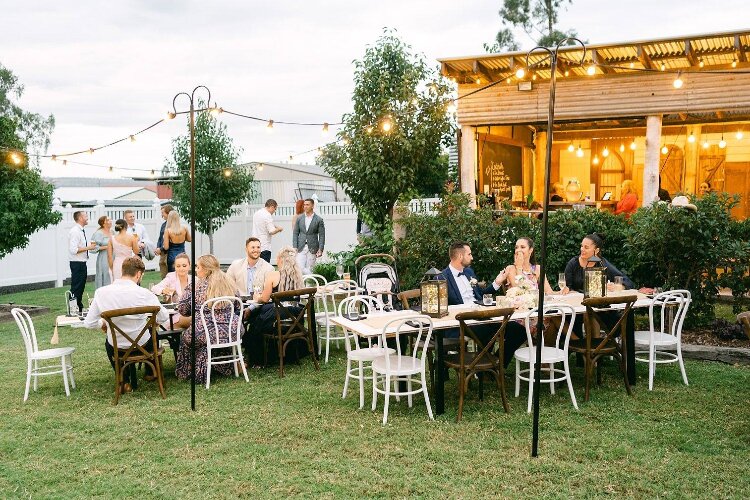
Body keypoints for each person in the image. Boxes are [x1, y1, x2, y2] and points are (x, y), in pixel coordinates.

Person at [84, 257, 169, 393]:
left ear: (122, 271)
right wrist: (152, 321)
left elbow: (89, 323)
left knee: (109, 342)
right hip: (143, 345)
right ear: (139, 274)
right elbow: (164, 316)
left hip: (117, 346)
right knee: (153, 333)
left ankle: (123, 381)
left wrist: (103, 323)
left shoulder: (101, 293)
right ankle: (151, 372)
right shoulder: (145, 293)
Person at [441, 241, 526, 367]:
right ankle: (483, 367)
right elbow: (442, 307)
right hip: (462, 321)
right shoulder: (443, 277)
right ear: (460, 257)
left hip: (483, 314)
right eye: (469, 254)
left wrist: (497, 282)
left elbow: (480, 295)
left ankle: (497, 364)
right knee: (489, 331)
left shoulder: (469, 272)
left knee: (519, 331)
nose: (472, 257)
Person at [175, 254, 240, 384]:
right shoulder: (230, 283)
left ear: (205, 269)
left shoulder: (195, 287)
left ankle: (188, 371)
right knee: (202, 335)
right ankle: (223, 367)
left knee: (189, 337)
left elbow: (182, 310)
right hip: (232, 332)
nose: (196, 270)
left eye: (197, 267)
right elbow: (237, 305)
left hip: (205, 333)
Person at [561, 233, 636, 339]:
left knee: (596, 314)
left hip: (598, 308)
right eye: (581, 246)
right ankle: (584, 347)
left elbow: (628, 282)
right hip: (576, 310)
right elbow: (568, 287)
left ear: (596, 250)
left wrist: (618, 287)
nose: (582, 249)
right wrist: (567, 289)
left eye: (586, 247)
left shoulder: (602, 263)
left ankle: (595, 349)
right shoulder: (573, 264)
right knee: (583, 315)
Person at [243, 246, 303, 365]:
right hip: (295, 318)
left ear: (281, 259)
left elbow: (264, 299)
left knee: (255, 318)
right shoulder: (298, 276)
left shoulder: (273, 275)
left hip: (276, 319)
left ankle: (254, 356)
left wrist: (256, 297)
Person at [151, 252, 192, 329]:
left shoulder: (195, 279)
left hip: (190, 313)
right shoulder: (171, 277)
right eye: (178, 266)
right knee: (194, 321)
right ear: (174, 267)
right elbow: (154, 288)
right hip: (174, 315)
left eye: (184, 266)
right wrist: (163, 290)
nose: (181, 268)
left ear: (189, 266)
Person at [68, 211, 97, 314]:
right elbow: (73, 250)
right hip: (77, 263)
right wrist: (89, 247)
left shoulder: (80, 231)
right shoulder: (75, 231)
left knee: (80, 286)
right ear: (80, 218)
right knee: (76, 286)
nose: (87, 217)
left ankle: (78, 308)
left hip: (81, 262)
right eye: (85, 216)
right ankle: (73, 309)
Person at [292, 198, 326, 274]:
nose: (305, 206)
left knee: (310, 268)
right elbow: (295, 233)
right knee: (299, 268)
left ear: (312, 206)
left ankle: (309, 284)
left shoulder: (319, 220)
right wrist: (295, 246)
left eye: (307, 205)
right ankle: (308, 278)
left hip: (313, 247)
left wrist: (320, 249)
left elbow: (322, 236)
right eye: (304, 205)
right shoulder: (299, 218)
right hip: (301, 247)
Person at [92, 215, 113, 288]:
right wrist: (107, 247)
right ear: (103, 223)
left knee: (112, 275)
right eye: (108, 220)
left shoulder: (112, 232)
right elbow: (93, 248)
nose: (110, 221)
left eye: (110, 220)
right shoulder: (98, 233)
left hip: (113, 257)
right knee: (105, 274)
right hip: (104, 258)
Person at [155, 204, 173, 278]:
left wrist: (161, 249)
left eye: (163, 213)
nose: (162, 215)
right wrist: (158, 248)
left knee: (170, 274)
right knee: (163, 275)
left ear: (169, 213)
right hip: (162, 253)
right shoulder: (163, 225)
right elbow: (160, 238)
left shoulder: (173, 225)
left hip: (169, 253)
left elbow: (170, 240)